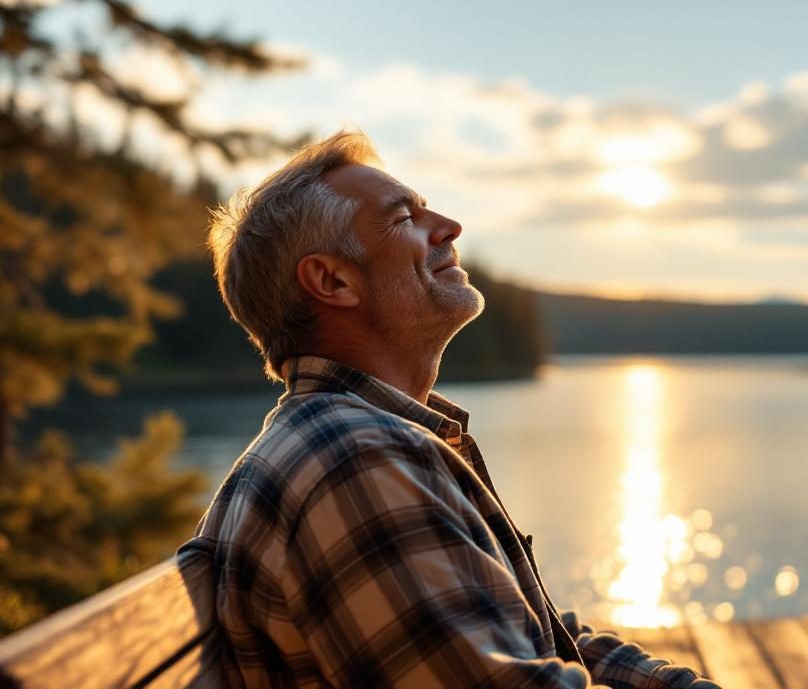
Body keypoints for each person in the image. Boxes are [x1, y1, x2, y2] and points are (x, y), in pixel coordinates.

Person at [178, 131, 718, 688]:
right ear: (332, 280)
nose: (449, 227)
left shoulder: (358, 440)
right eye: (402, 218)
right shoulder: (353, 458)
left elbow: (544, 632)